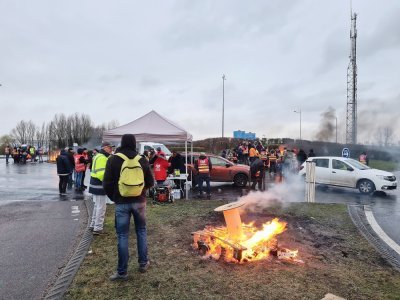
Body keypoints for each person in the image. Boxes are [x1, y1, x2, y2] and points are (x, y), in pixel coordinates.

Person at [103, 134, 154, 280]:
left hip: (122, 202)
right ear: (134, 143)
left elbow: (106, 183)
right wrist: (140, 191)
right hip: (139, 202)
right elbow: (150, 182)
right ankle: (143, 263)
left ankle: (122, 272)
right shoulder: (142, 160)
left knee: (123, 235)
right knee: (141, 231)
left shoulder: (113, 159)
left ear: (121, 143)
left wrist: (115, 197)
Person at [89, 142, 114, 235]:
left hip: (95, 185)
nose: (111, 149)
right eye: (110, 147)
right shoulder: (102, 158)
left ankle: (93, 225)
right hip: (99, 186)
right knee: (101, 207)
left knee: (97, 206)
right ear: (104, 148)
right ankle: (98, 228)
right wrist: (109, 182)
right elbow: (101, 174)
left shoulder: (98, 156)